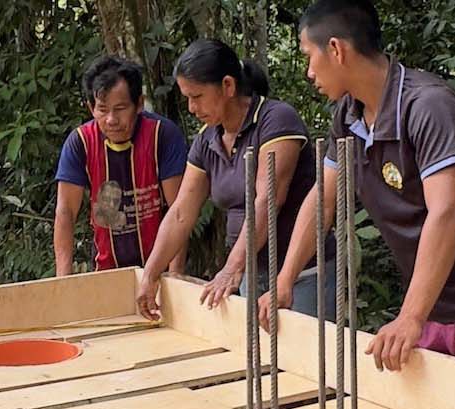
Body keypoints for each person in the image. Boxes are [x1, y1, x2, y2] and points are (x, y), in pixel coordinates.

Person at [275, 0, 455, 382]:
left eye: (309, 56)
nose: (309, 72)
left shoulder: (426, 106)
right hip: (432, 302)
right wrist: (284, 280)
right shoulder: (348, 115)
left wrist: (410, 317)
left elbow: (445, 212)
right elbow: (324, 198)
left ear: (337, 50)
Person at [135, 38, 333, 321]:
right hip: (252, 274)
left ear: (228, 86)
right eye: (187, 98)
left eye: (197, 96)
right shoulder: (207, 139)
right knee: (257, 361)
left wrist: (232, 267)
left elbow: (268, 200)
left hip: (305, 274)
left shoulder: (276, 120)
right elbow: (181, 212)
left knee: (305, 361)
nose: (191, 107)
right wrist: (150, 273)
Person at [54, 55, 188, 275]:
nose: (111, 120)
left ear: (139, 104)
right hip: (106, 271)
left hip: (159, 269)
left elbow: (179, 210)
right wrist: (62, 282)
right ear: (91, 108)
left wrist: (175, 277)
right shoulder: (80, 142)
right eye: (103, 110)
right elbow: (66, 211)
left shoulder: (162, 135)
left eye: (120, 108)